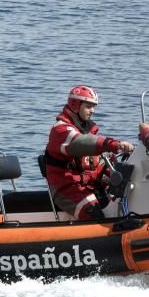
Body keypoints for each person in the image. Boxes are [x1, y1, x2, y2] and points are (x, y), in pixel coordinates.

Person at [44, 85, 135, 220]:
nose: (92, 111)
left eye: (94, 107)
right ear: (75, 105)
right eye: (88, 106)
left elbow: (98, 158)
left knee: (116, 203)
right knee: (93, 213)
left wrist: (114, 172)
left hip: (89, 185)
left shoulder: (87, 129)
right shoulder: (61, 130)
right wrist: (114, 145)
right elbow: (82, 143)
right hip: (66, 188)